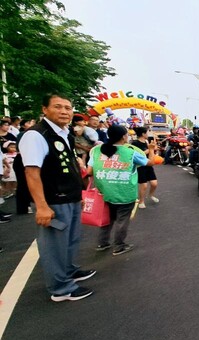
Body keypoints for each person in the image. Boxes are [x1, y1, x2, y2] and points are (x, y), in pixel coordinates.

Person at [19, 92, 96, 302]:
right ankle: (61, 289)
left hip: (70, 197)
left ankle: (68, 271)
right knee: (54, 245)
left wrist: (77, 193)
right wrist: (42, 206)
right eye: (58, 107)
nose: (64, 111)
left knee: (71, 240)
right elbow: (32, 173)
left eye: (67, 108)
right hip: (53, 200)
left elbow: (69, 165)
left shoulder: (64, 133)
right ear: (45, 109)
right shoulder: (36, 135)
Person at [87, 124, 156, 255]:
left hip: (104, 192)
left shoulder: (96, 150)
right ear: (124, 136)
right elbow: (150, 163)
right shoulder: (130, 152)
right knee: (121, 221)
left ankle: (102, 243)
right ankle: (119, 246)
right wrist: (151, 150)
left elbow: (89, 171)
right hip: (124, 193)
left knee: (107, 219)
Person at [131, 127, 159, 209]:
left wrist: (153, 149)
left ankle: (151, 195)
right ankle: (141, 201)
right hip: (140, 166)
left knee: (154, 183)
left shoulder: (146, 142)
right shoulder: (134, 143)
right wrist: (150, 149)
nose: (148, 134)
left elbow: (151, 151)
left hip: (148, 165)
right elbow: (137, 155)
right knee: (144, 185)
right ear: (143, 134)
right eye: (147, 132)